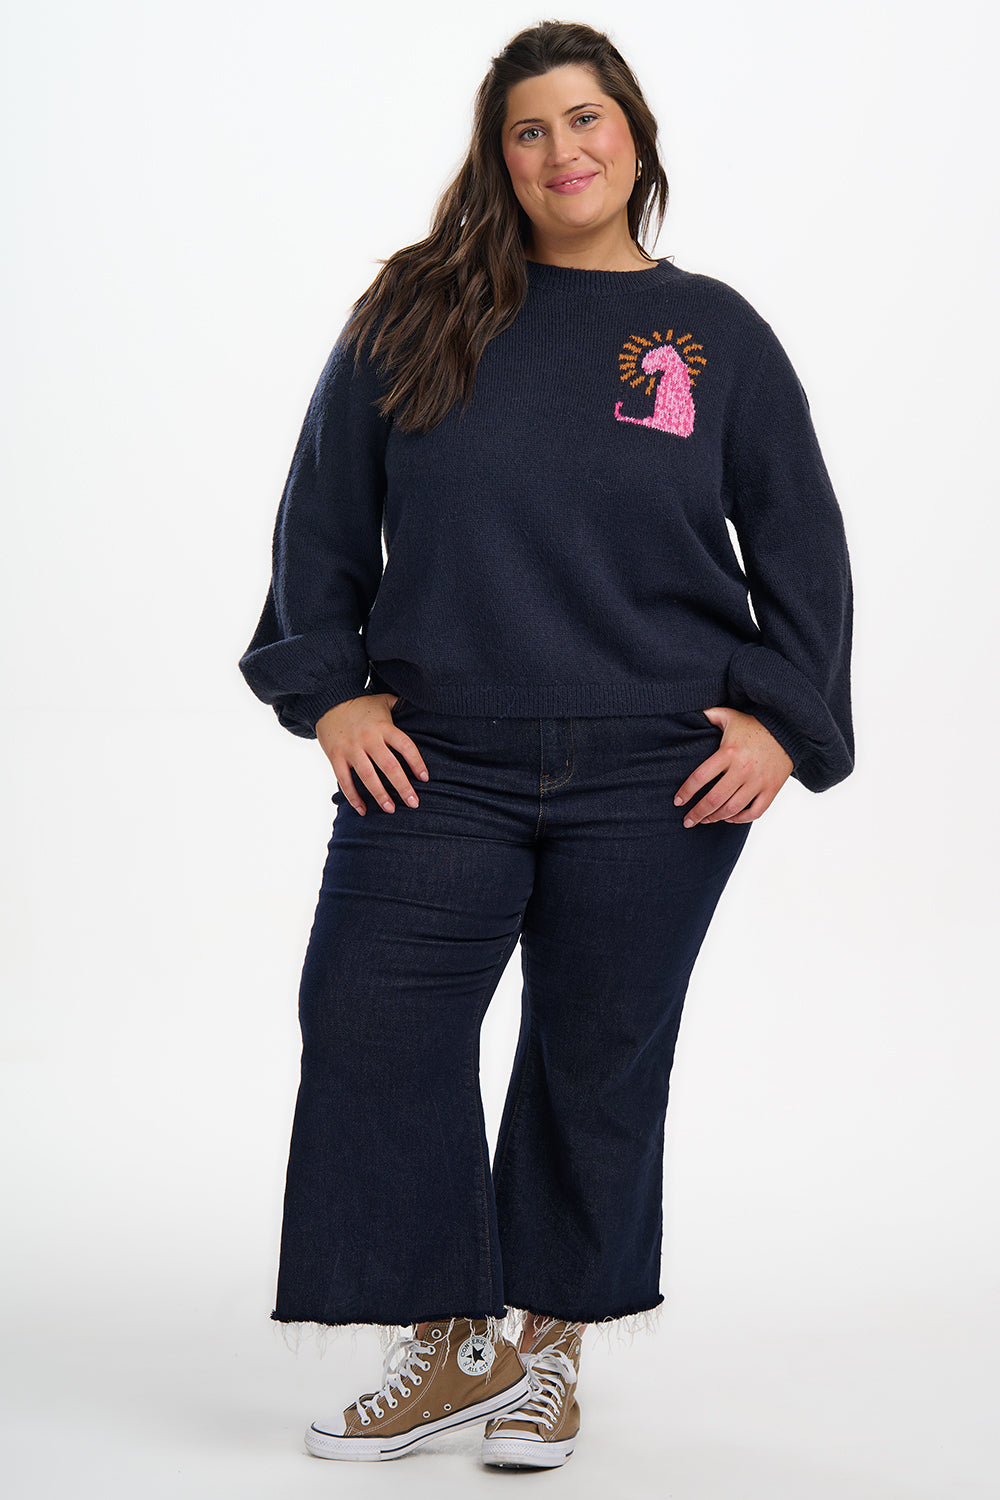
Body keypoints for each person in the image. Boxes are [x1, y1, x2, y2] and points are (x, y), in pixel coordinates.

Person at [238, 18, 854, 1471]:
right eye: (529, 130)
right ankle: (449, 1349)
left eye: (586, 120)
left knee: (595, 1061)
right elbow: (321, 518)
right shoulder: (416, 309)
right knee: (373, 1024)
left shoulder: (718, 334)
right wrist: (332, 693)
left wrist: (784, 718)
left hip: (658, 772)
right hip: (435, 757)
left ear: (632, 135)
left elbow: (804, 550)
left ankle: (546, 1360)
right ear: (498, 160)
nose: (561, 150)